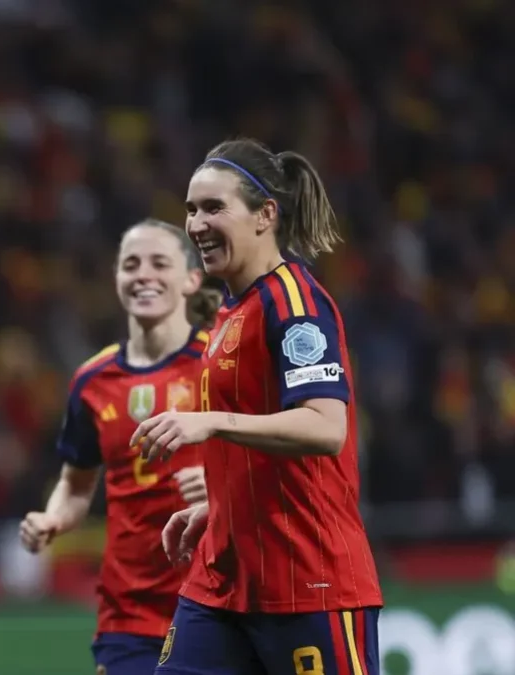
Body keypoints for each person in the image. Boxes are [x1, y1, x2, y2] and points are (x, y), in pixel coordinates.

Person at [131, 139, 382, 675]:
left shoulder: (294, 302)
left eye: (214, 207)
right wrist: (221, 506)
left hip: (307, 581)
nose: (196, 223)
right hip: (223, 581)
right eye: (192, 208)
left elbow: (324, 426)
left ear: (265, 214)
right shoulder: (230, 311)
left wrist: (209, 422)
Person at [19, 219, 216, 675]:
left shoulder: (219, 362)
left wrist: (222, 483)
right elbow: (76, 484)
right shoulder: (92, 380)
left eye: (159, 263)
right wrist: (53, 518)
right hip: (129, 611)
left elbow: (278, 456)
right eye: (131, 264)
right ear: (117, 280)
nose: (143, 274)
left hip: (217, 596)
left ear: (191, 279)